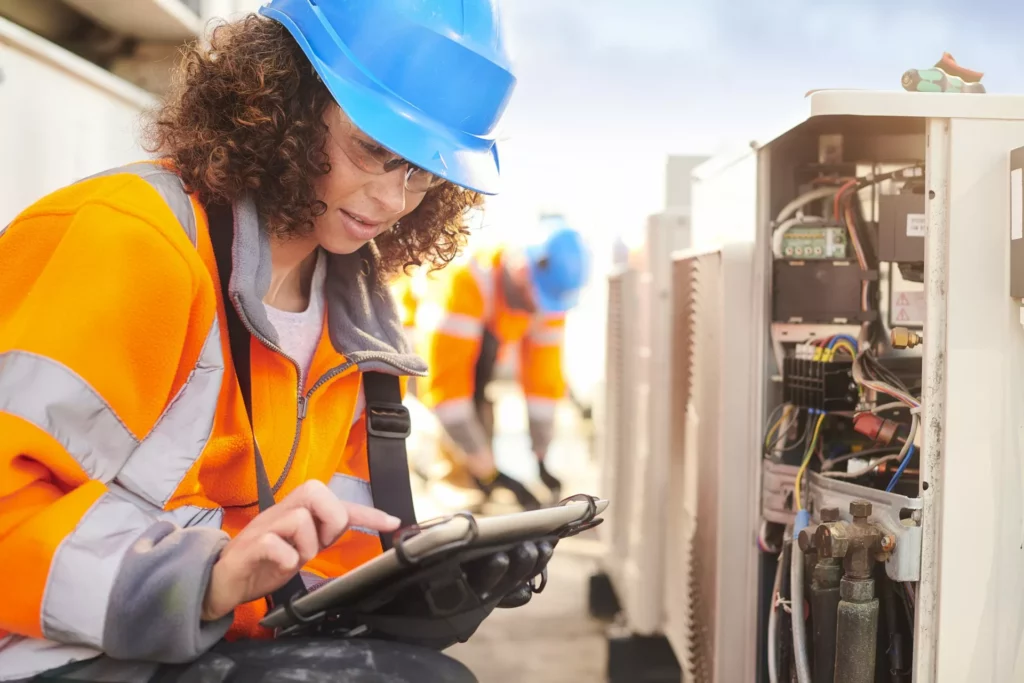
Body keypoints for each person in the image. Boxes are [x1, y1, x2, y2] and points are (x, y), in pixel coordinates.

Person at [0, 1, 546, 681]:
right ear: (284, 99)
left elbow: (317, 568)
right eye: (373, 148)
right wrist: (203, 579)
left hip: (193, 643)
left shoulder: (363, 330)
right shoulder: (128, 242)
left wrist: (414, 584)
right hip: (46, 651)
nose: (393, 199)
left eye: (423, 169)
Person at [399, 215, 590, 510]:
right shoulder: (464, 281)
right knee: (458, 409)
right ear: (522, 268)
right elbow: (444, 390)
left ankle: (475, 471)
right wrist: (490, 472)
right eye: (536, 297)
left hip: (474, 356)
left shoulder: (546, 299)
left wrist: (541, 458)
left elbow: (543, 383)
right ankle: (450, 476)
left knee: (480, 392)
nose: (538, 308)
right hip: (410, 348)